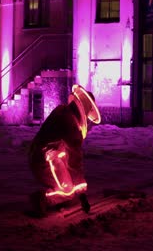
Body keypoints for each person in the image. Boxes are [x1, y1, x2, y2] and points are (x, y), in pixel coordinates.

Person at [28, 84, 101, 216]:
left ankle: (53, 200)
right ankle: (42, 200)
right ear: (84, 110)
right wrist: (82, 192)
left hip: (42, 156)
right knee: (68, 190)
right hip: (45, 159)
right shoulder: (71, 124)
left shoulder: (63, 112)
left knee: (67, 188)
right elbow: (75, 160)